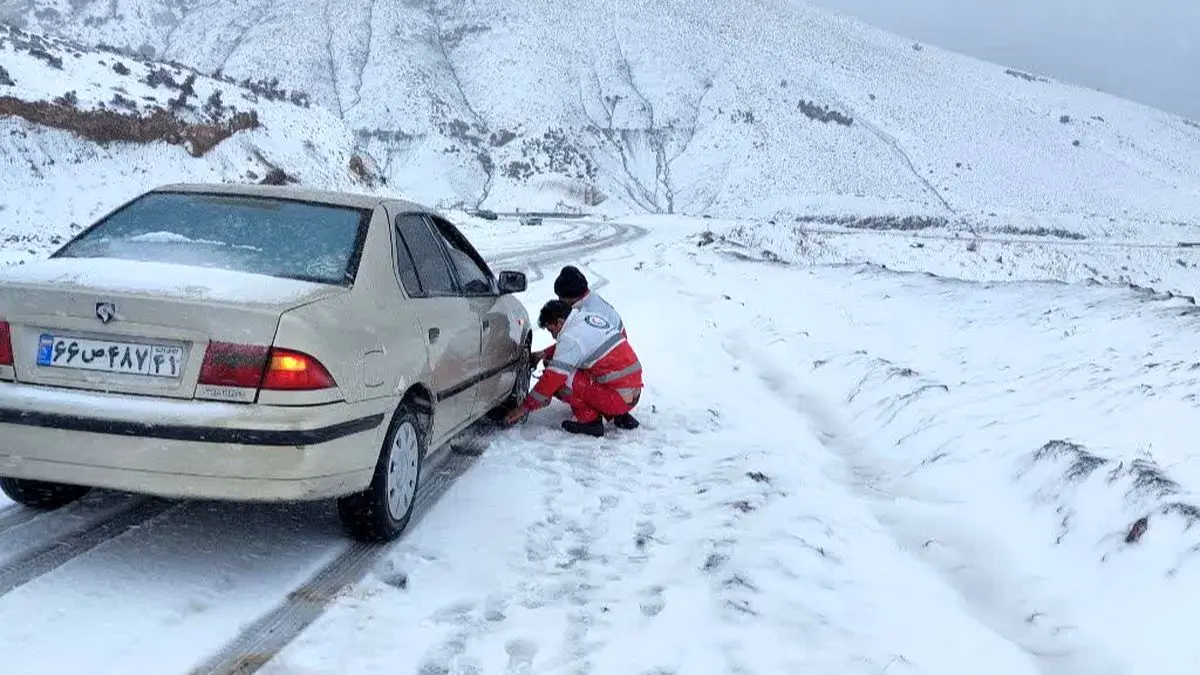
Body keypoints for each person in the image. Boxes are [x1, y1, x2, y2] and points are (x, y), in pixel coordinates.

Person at [504, 299, 642, 436]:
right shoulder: (585, 318)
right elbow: (579, 346)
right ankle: (618, 415)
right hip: (632, 390)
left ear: (560, 322)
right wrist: (544, 353)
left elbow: (552, 379)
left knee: (560, 379)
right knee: (569, 367)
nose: (553, 337)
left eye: (552, 330)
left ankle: (590, 421)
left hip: (617, 398)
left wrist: (524, 407)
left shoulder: (570, 338)